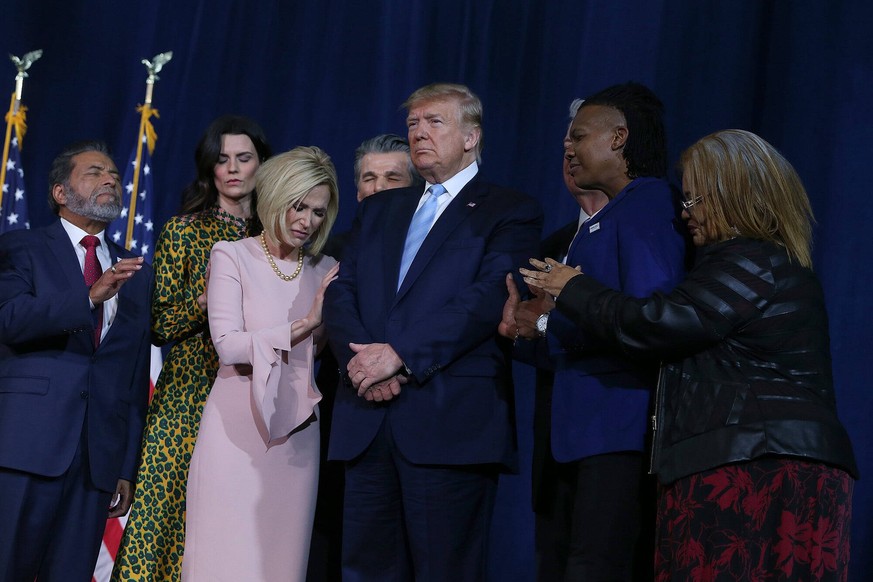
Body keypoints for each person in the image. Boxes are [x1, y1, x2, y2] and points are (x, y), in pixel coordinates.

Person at [520, 129, 858, 580]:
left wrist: (572, 287)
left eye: (696, 201)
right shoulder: (745, 262)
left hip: (762, 466)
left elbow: (660, 324)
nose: (684, 213)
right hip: (741, 459)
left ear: (735, 195)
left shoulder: (752, 260)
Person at [324, 82, 543, 581]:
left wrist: (398, 354)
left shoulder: (509, 210)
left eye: (434, 122)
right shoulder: (381, 208)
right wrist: (362, 364)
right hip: (367, 416)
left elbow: (488, 298)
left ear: (472, 136)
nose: (419, 132)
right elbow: (343, 290)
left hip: (449, 425)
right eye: (412, 124)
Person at [502, 82, 686, 581]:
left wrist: (549, 320)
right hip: (582, 430)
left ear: (619, 138)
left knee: (596, 567)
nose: (568, 147)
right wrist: (536, 327)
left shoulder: (648, 205)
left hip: (620, 427)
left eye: (579, 137)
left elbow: (649, 318)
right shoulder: (607, 217)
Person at [113, 115, 272, 581]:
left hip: (250, 392)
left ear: (263, 163)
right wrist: (209, 297)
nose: (234, 169)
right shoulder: (184, 231)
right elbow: (160, 324)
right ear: (209, 168)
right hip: (185, 393)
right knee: (161, 515)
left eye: (244, 158)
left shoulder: (277, 239)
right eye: (222, 159)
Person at [182, 146, 340, 581]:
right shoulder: (231, 255)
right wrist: (305, 323)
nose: (306, 221)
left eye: (318, 211)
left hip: (299, 435)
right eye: (298, 206)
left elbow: (319, 353)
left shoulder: (326, 268)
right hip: (234, 430)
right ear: (273, 198)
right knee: (221, 557)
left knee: (282, 563)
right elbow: (230, 346)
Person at [0, 140, 153, 581]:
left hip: (94, 463)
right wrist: (87, 297)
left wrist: (125, 466)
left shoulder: (133, 270)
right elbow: (8, 319)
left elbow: (131, 376)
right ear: (60, 193)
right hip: (25, 448)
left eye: (113, 174)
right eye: (94, 172)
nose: (110, 179)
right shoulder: (23, 247)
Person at [321, 133, 419, 261]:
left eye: (392, 178)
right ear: (358, 192)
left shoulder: (427, 247)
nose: (379, 187)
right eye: (369, 178)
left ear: (415, 189)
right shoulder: (332, 253)